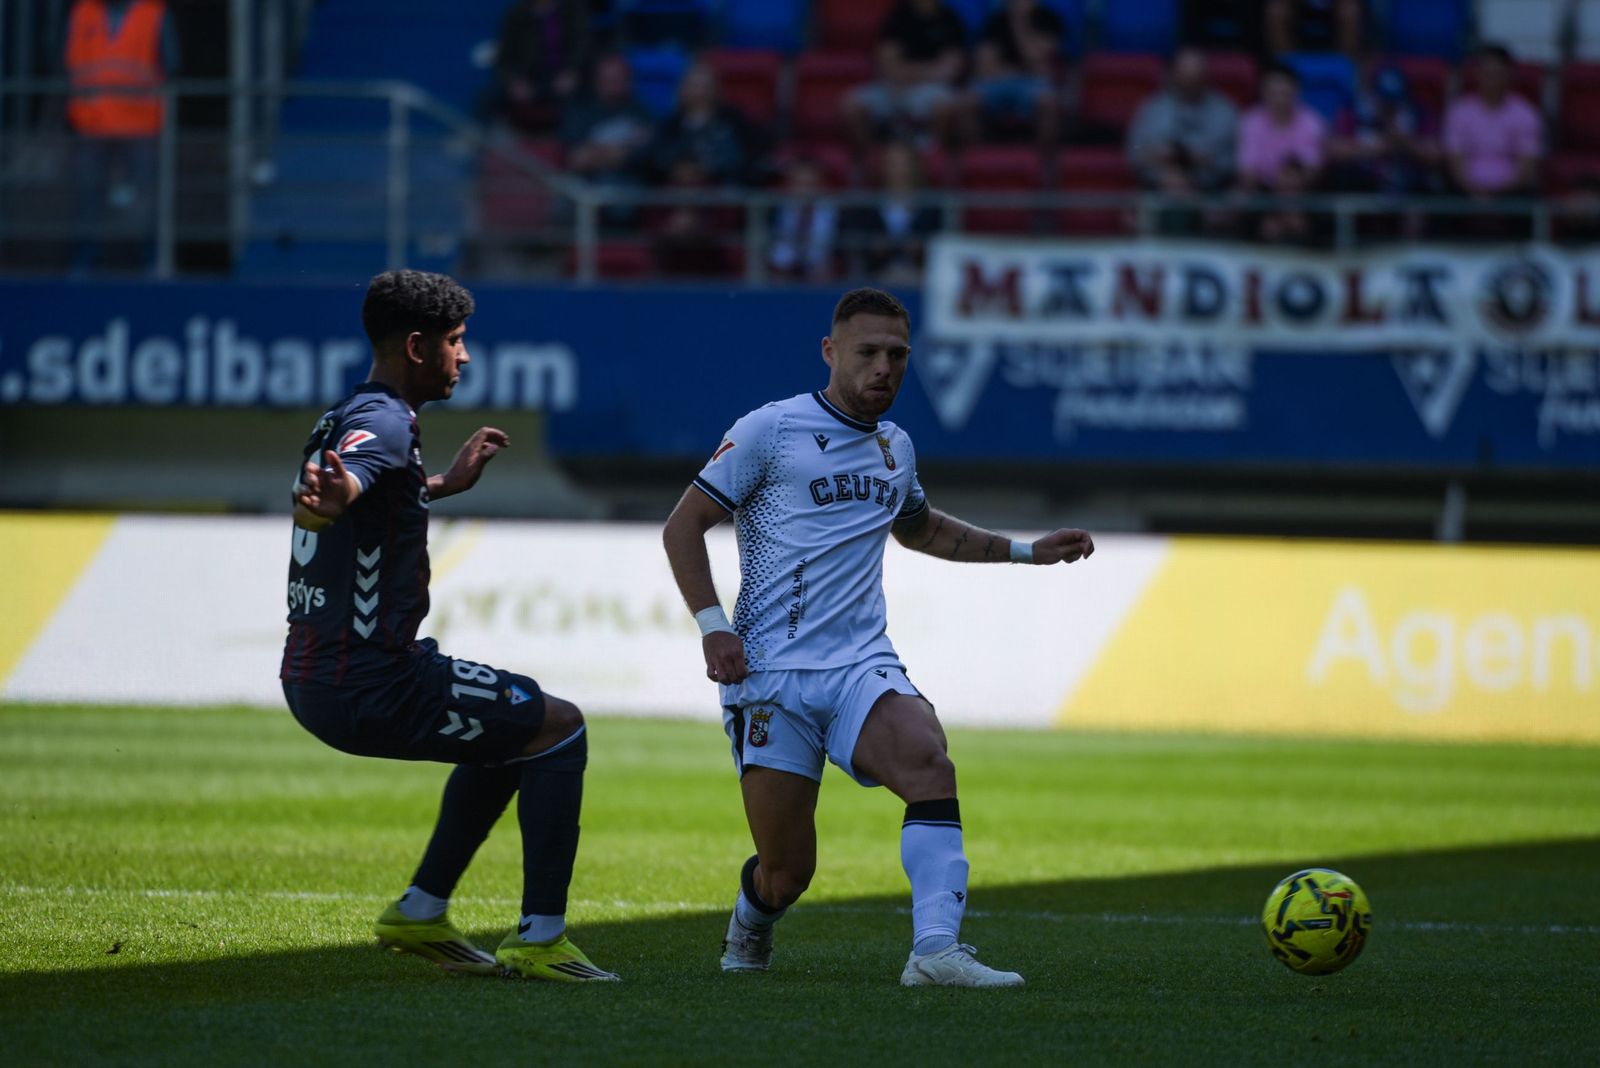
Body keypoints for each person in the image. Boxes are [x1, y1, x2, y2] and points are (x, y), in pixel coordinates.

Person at [661, 288, 1095, 987]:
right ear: (831, 353)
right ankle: (752, 918)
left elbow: (920, 529)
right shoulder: (771, 430)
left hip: (861, 664)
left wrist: (1025, 551)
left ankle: (934, 950)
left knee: (929, 763)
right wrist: (713, 628)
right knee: (786, 873)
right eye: (868, 352)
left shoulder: (896, 447)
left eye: (898, 355)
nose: (884, 368)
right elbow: (682, 526)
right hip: (769, 674)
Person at [282, 270, 617, 983]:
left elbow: (365, 492)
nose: (464, 357)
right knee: (561, 726)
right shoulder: (388, 422)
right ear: (415, 345)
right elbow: (347, 485)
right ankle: (541, 940)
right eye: (456, 342)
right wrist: (334, 495)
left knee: (512, 734)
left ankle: (421, 911)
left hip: (320, 675)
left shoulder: (345, 413)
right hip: (374, 682)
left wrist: (440, 486)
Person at [62, 0, 179, 273]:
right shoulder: (82, 13)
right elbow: (66, 61)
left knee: (143, 199)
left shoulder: (154, 14)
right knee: (87, 197)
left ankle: (147, 263)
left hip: (139, 126)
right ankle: (83, 263)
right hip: (91, 123)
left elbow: (172, 63)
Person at [843, 0, 968, 152]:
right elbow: (887, 63)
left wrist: (910, 71)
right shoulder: (898, 16)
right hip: (893, 86)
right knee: (852, 106)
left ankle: (933, 157)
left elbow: (951, 70)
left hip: (930, 89)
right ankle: (868, 159)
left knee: (945, 107)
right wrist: (927, 70)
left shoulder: (949, 19)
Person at [1126, 46, 1239, 196]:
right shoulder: (1153, 108)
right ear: (1173, 74)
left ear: (1205, 76)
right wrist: (1151, 154)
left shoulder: (1224, 111)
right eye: (1185, 75)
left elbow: (1233, 160)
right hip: (1159, 188)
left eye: (1195, 76)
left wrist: (1208, 161)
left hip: (1209, 191)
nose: (1190, 80)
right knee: (1134, 209)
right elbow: (1133, 150)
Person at [1443, 44, 1542, 200]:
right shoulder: (1460, 111)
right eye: (1487, 73)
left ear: (1509, 74)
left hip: (1511, 192)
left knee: (1530, 198)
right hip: (1465, 191)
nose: (1492, 79)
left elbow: (1527, 168)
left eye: (1498, 74)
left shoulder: (1526, 113)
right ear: (1478, 74)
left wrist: (1497, 195)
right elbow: (1455, 164)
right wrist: (1475, 192)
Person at [961, 0, 1065, 148]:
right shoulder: (997, 21)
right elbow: (983, 68)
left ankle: (1045, 163)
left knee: (1048, 103)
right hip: (999, 82)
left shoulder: (1048, 19)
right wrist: (1023, 69)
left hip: (1033, 83)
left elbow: (1033, 55)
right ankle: (977, 160)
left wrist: (1019, 22)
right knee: (967, 101)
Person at [839, 142, 943, 282]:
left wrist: (923, 248)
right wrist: (873, 246)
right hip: (876, 279)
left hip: (921, 278)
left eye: (904, 164)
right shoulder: (868, 207)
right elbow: (859, 245)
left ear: (915, 167)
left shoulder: (932, 206)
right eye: (893, 164)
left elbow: (941, 243)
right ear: (883, 167)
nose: (899, 170)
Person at [488, 0, 594, 134]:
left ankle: (571, 144)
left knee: (578, 98)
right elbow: (504, 57)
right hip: (529, 78)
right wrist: (514, 81)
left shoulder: (573, 9)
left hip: (564, 76)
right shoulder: (516, 14)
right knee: (490, 96)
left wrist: (573, 72)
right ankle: (478, 143)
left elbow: (584, 47)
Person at [648, 60, 761, 186]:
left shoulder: (733, 121)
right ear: (681, 89)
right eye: (692, 85)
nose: (698, 92)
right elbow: (656, 158)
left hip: (720, 187)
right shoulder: (669, 124)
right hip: (674, 188)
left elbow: (744, 157)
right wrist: (676, 168)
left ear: (715, 89)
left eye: (703, 85)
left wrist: (706, 169)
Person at [767, 157, 840, 281]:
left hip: (823, 276)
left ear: (820, 186)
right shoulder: (774, 211)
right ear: (789, 186)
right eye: (799, 184)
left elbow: (841, 252)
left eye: (810, 185)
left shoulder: (835, 213)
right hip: (781, 275)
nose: (805, 191)